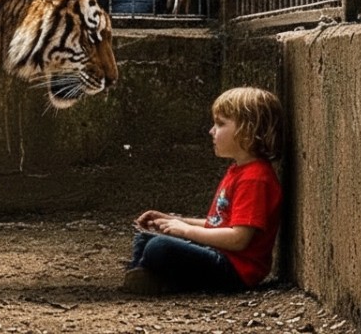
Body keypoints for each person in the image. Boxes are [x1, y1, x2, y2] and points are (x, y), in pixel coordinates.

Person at [122, 86, 284, 295]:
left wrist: (186, 231)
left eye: (220, 124)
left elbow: (238, 239)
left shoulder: (255, 178)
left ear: (247, 131)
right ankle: (145, 276)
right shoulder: (238, 170)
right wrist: (174, 220)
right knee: (147, 237)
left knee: (160, 246)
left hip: (234, 269)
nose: (211, 131)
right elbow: (216, 224)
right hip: (218, 253)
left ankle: (157, 279)